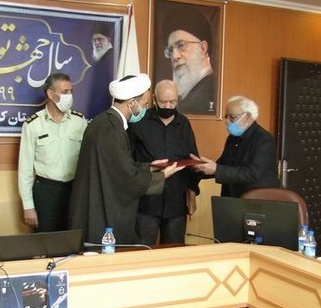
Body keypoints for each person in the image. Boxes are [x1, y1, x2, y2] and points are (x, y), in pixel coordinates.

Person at [68, 74, 184, 245]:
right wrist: (163, 175)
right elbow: (126, 178)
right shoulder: (110, 129)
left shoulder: (106, 122)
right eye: (144, 104)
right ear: (132, 103)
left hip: (97, 204)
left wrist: (149, 167)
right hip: (101, 211)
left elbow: (118, 165)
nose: (145, 109)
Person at [129, 79, 201, 245]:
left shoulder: (184, 123)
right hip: (146, 203)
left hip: (176, 204)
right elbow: (128, 162)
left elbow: (193, 160)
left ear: (178, 99)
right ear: (154, 99)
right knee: (142, 251)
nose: (168, 106)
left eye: (172, 102)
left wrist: (192, 193)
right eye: (163, 102)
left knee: (174, 252)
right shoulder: (139, 122)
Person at [18, 72, 87, 233]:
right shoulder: (33, 124)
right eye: (64, 92)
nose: (69, 96)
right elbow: (25, 169)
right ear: (50, 93)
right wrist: (28, 206)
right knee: (46, 242)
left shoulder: (79, 121)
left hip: (74, 190)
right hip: (46, 192)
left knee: (73, 239)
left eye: (71, 91)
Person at [192, 95, 278, 198]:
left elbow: (253, 173)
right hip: (231, 198)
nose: (227, 121)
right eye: (226, 117)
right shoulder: (232, 138)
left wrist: (217, 169)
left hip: (256, 200)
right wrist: (200, 166)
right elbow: (223, 165)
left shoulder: (264, 139)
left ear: (248, 116)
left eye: (232, 117)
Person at [162, 5, 216, 115]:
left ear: (203, 48)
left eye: (181, 45)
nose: (175, 56)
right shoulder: (187, 96)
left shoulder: (211, 90)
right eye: (171, 50)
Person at [85, 23, 115, 118]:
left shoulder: (111, 59)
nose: (97, 43)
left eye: (100, 39)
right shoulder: (101, 59)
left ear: (108, 39)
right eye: (94, 40)